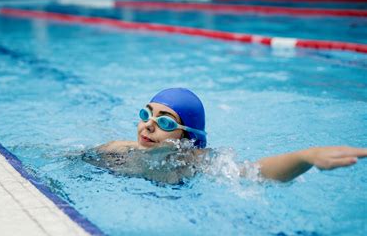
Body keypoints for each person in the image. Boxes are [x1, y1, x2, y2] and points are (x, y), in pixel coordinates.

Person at [86, 88, 367, 184]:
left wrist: (306, 156)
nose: (147, 126)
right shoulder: (117, 150)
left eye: (165, 122)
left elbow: (254, 173)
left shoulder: (194, 162)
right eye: (146, 115)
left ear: (187, 137)